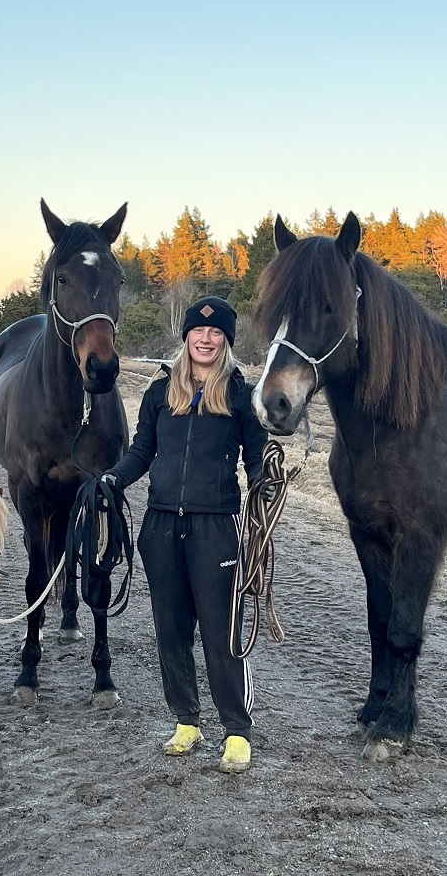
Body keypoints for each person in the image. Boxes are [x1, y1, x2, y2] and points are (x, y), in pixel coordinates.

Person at [102, 295, 269, 774]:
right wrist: (112, 479)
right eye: (199, 331)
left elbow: (254, 455)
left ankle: (237, 730)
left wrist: (264, 476)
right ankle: (187, 721)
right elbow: (141, 452)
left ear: (226, 341)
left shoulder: (240, 394)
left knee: (222, 632)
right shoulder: (160, 393)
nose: (206, 339)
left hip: (214, 525)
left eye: (216, 333)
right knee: (171, 630)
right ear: (187, 336)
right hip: (160, 525)